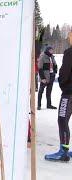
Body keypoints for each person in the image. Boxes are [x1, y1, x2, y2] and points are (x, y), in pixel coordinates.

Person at [45, 32, 72, 162]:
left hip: (69, 93)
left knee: (62, 120)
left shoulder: (69, 52)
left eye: (70, 35)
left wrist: (63, 84)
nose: (68, 37)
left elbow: (65, 72)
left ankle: (63, 151)